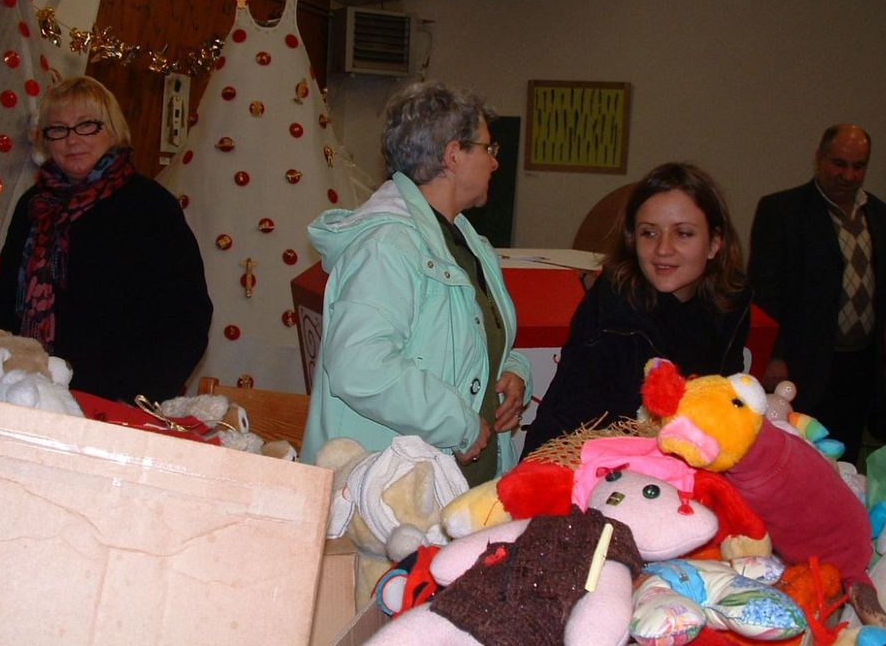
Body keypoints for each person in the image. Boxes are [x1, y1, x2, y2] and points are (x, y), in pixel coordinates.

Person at [300, 81, 532, 486]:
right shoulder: (388, 246)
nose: (495, 163)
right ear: (453, 155)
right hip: (385, 499)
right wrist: (456, 421)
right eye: (488, 149)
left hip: (450, 487)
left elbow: (470, 340)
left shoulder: (467, 243)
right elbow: (359, 365)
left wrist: (512, 371)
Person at [0, 75, 213, 403]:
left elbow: (187, 315)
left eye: (86, 125)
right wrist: (1, 362)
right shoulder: (33, 206)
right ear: (45, 139)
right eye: (58, 129)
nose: (72, 140)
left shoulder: (151, 205)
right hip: (31, 393)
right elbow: (5, 296)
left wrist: (141, 395)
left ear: (113, 130)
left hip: (117, 400)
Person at [522, 162, 751, 457]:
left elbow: (726, 412)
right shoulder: (612, 306)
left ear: (714, 243)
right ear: (633, 240)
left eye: (683, 233)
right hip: (604, 472)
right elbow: (569, 421)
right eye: (649, 233)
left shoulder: (731, 302)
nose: (663, 249)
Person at [748, 124, 886, 464]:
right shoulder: (782, 211)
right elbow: (765, 288)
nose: (848, 175)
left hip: (862, 360)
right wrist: (773, 354)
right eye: (839, 163)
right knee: (801, 450)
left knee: (846, 449)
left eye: (858, 166)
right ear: (818, 159)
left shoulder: (879, 215)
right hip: (804, 359)